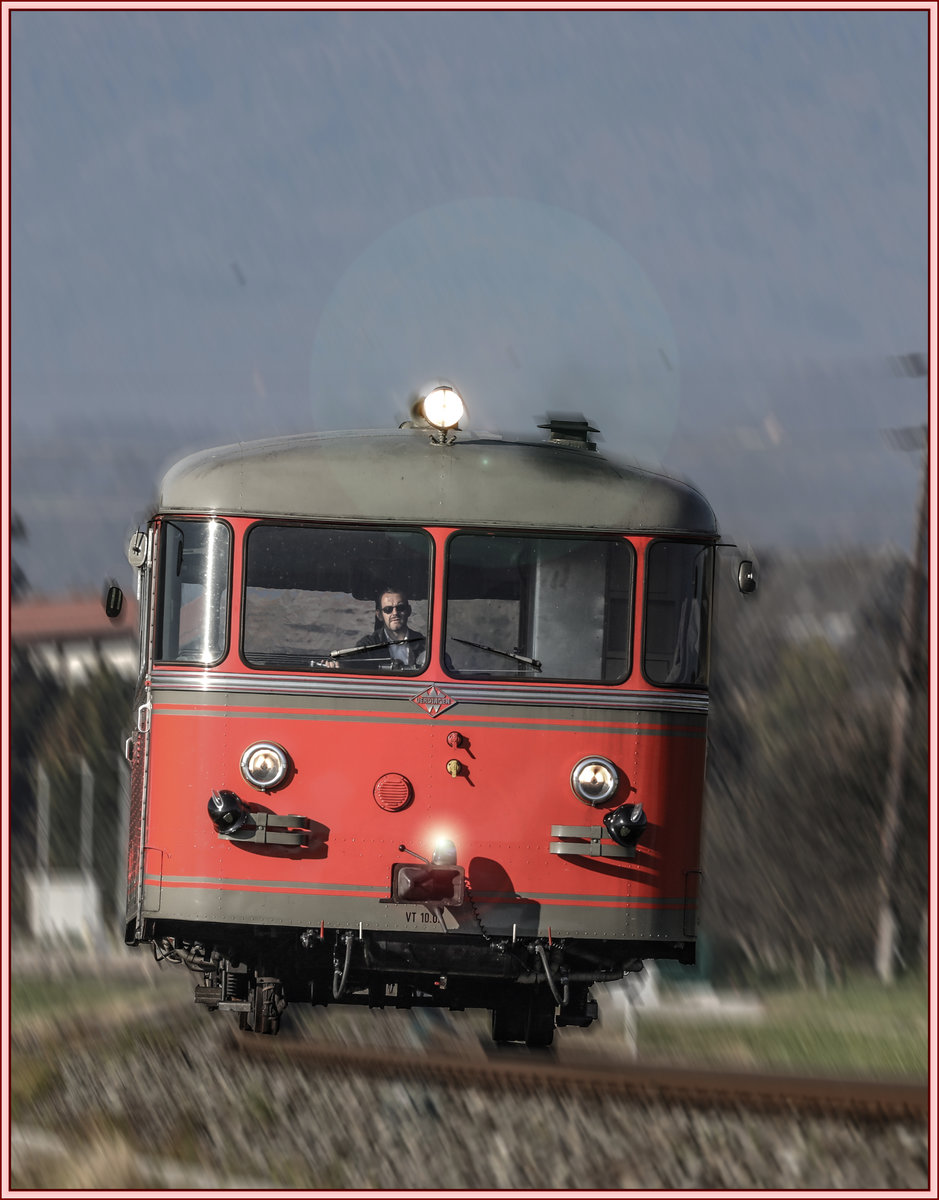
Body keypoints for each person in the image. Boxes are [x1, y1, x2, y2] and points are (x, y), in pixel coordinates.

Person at [356, 587, 426, 669]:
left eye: (400, 607)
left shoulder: (424, 645)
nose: (395, 613)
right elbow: (349, 664)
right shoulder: (368, 647)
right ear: (379, 615)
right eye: (388, 609)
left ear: (409, 610)